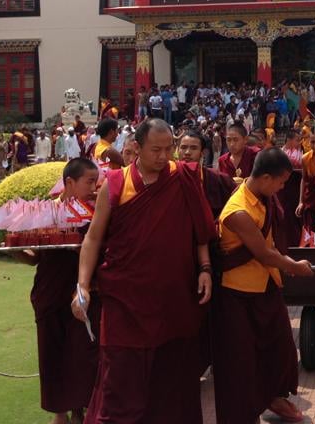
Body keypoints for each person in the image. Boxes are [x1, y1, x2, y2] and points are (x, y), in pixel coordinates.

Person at [72, 119, 215, 424]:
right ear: (137, 147)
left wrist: (205, 268)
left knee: (172, 386)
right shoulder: (115, 182)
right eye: (156, 150)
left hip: (173, 301)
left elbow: (199, 230)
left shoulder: (183, 177)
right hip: (126, 303)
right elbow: (93, 238)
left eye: (168, 149)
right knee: (120, 384)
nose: (164, 157)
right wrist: (82, 285)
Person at [212, 148, 313, 423]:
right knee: (241, 359)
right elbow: (264, 253)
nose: (282, 188)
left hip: (266, 285)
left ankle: (273, 397)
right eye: (281, 182)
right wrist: (295, 267)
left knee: (279, 349)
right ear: (266, 178)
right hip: (238, 294)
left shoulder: (263, 197)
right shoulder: (238, 210)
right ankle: (244, 413)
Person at [16, 158, 100, 424]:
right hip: (50, 295)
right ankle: (60, 412)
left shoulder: (95, 212)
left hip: (82, 294)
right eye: (89, 182)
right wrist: (17, 247)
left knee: (81, 354)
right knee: (52, 353)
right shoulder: (46, 213)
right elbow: (33, 257)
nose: (94, 187)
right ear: (69, 183)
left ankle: (80, 410)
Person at [177, 129, 236, 220]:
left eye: (193, 148)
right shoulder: (170, 177)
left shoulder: (220, 179)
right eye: (183, 147)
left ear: (202, 153)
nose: (187, 152)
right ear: (177, 150)